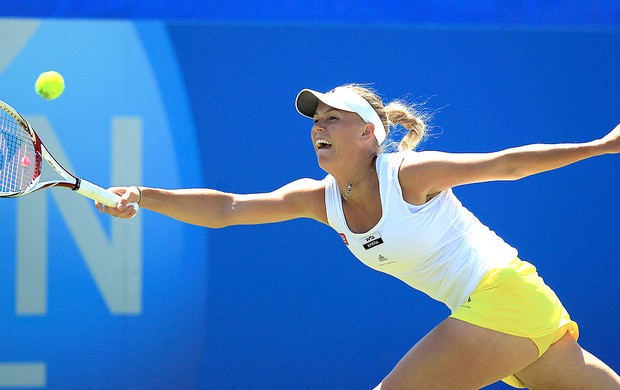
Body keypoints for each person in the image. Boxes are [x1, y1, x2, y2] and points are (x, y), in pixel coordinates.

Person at [99, 84, 620, 389]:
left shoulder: (409, 174)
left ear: (369, 133)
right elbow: (228, 208)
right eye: (315, 120)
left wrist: (601, 146)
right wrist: (143, 195)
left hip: (505, 300)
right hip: (511, 316)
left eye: (333, 118)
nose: (318, 127)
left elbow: (506, 166)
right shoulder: (318, 199)